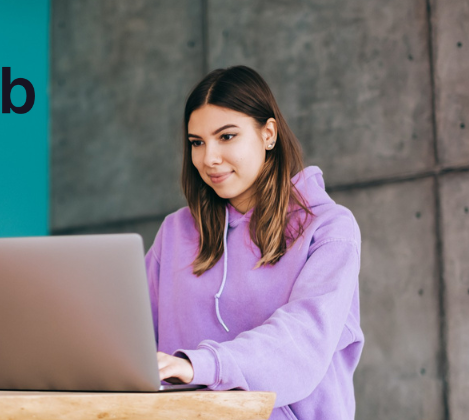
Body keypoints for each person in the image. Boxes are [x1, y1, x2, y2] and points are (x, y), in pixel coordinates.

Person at [147, 65, 364, 420]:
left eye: (227, 136)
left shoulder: (329, 229)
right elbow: (127, 339)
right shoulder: (175, 233)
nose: (208, 158)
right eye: (196, 143)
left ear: (268, 134)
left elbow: (301, 343)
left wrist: (199, 365)